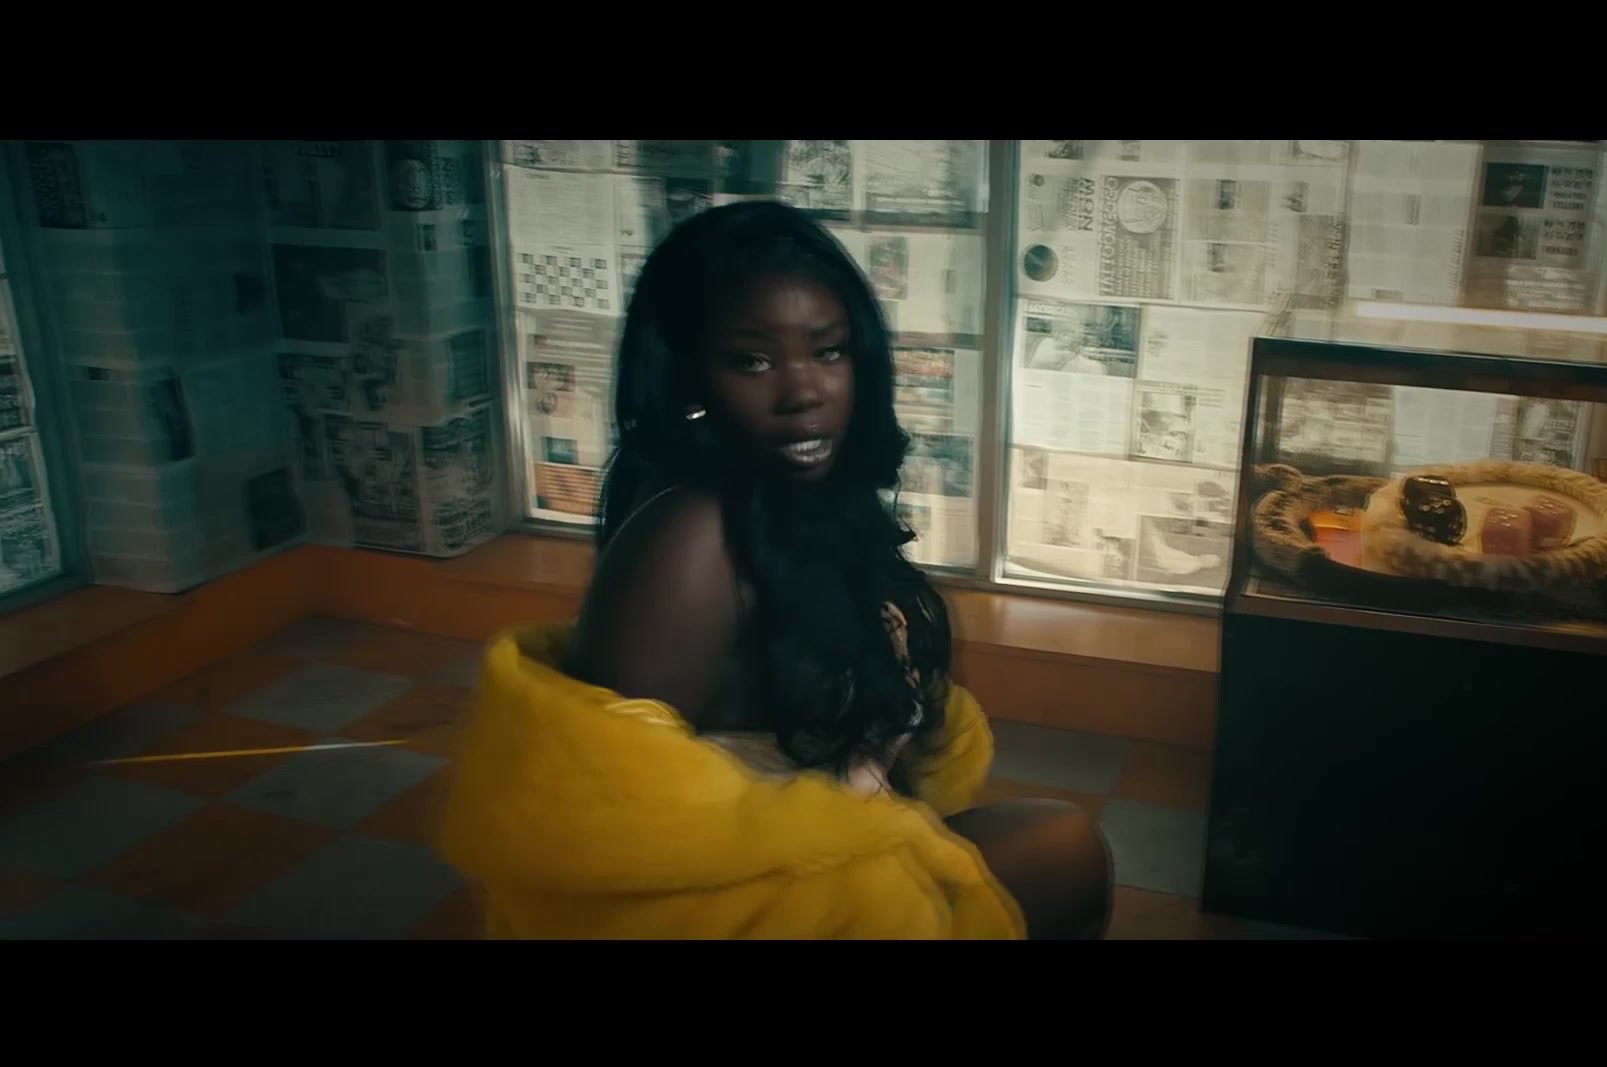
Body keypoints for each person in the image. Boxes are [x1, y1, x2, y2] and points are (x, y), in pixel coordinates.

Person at [439, 201, 1112, 939]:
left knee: (1060, 847)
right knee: (1064, 848)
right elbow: (602, 838)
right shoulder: (693, 535)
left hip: (839, 858)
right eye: (753, 361)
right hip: (748, 909)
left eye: (829, 351)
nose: (804, 392)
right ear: (688, 375)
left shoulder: (809, 500)